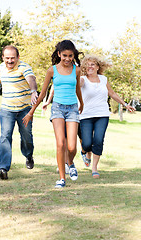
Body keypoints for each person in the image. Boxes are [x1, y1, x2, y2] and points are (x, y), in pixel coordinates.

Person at [23, 40, 84, 188]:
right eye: (64, 55)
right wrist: (31, 111)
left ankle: (70, 162)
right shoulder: (52, 70)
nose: (67, 59)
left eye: (70, 56)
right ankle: (62, 178)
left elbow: (77, 89)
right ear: (59, 54)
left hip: (72, 108)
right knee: (60, 143)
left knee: (71, 146)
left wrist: (81, 103)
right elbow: (42, 92)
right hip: (57, 108)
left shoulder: (76, 70)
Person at [0, 45, 38, 180]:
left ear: (18, 57)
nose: (10, 61)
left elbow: (31, 79)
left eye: (13, 58)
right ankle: (3, 168)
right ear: (3, 57)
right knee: (5, 136)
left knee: (26, 136)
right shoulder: (2, 66)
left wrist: (33, 91)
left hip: (24, 109)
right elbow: (2, 76)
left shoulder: (24, 67)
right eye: (7, 58)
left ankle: (28, 155)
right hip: (7, 109)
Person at [79, 54, 135, 179]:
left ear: (98, 67)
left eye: (92, 64)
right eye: (87, 65)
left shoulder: (103, 79)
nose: (90, 67)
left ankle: (94, 168)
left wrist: (125, 104)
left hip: (102, 114)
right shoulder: (83, 79)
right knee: (87, 143)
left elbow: (112, 93)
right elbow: (78, 85)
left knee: (98, 140)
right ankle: (86, 152)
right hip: (86, 115)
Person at [42, 84, 69, 174]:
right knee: (63, 138)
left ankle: (85, 152)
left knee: (82, 141)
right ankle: (65, 164)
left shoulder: (78, 72)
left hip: (75, 109)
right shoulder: (57, 71)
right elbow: (54, 87)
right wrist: (48, 101)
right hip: (59, 108)